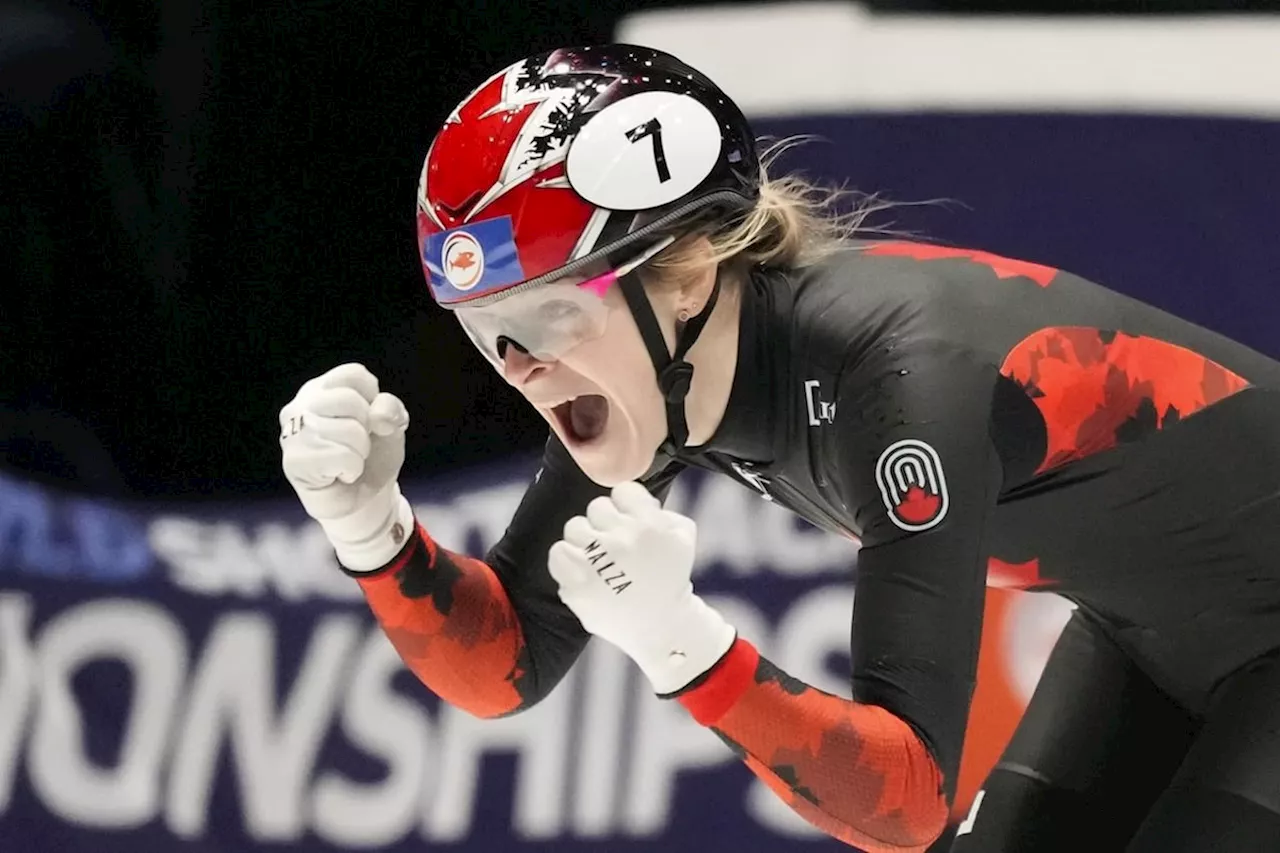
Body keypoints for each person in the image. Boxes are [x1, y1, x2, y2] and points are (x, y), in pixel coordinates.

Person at [278, 45, 1280, 852]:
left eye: (545, 314)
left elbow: (904, 803)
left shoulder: (903, 377)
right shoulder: (650, 369)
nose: (517, 365)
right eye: (483, 326)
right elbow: (508, 664)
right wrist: (370, 528)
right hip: (1154, 632)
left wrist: (683, 644)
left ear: (684, 271)